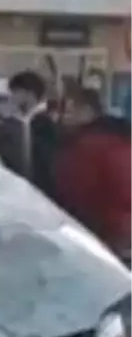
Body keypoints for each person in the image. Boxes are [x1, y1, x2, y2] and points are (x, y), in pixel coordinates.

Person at [51, 83, 132, 261]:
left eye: (69, 111)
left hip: (101, 234)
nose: (62, 117)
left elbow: (73, 194)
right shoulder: (123, 138)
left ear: (87, 111)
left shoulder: (84, 146)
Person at [7, 70, 58, 194]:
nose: (12, 97)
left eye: (16, 92)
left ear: (29, 94)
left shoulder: (43, 122)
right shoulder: (28, 120)